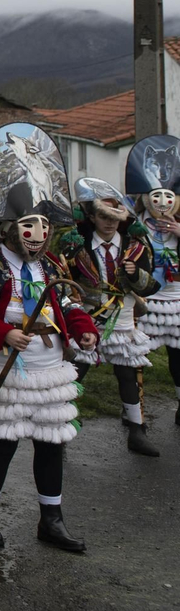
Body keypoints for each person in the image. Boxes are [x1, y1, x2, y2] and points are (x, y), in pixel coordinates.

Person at [0, 123, 99, 553]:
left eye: (43, 225)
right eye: (28, 224)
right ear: (8, 227)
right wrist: (4, 332)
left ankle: (51, 519)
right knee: (3, 442)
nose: (37, 234)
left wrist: (84, 329)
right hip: (10, 369)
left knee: (51, 445)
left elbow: (68, 303)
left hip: (50, 369)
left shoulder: (51, 265)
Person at [59, 177, 160, 456]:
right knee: (75, 372)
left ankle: (136, 431)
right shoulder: (76, 245)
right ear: (92, 217)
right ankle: (60, 426)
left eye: (114, 218)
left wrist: (134, 275)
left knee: (127, 373)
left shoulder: (135, 246)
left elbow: (150, 286)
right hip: (88, 316)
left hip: (123, 316)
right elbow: (64, 280)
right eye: (104, 217)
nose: (110, 223)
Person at [126, 134, 180, 425]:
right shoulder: (134, 225)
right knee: (134, 357)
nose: (162, 202)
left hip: (176, 298)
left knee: (179, 357)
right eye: (156, 196)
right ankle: (134, 413)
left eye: (168, 197)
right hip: (145, 299)